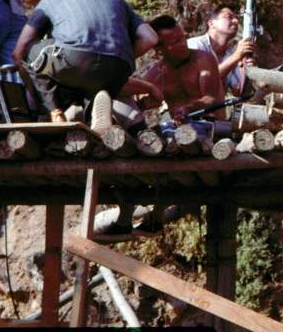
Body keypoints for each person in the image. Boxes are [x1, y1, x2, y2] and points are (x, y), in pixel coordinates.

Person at [95, 15, 226, 243]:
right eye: (174, 42)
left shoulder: (204, 59)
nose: (182, 44)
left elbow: (211, 98)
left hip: (206, 128)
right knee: (136, 146)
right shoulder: (158, 72)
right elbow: (136, 95)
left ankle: (154, 216)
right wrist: (146, 97)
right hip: (172, 132)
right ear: (159, 50)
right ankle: (127, 217)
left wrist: (189, 107)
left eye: (182, 38)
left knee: (168, 146)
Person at [12, 0, 161, 130]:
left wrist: (35, 91)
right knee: (93, 82)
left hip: (73, 62)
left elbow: (19, 51)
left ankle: (54, 113)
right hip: (117, 69)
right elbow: (150, 38)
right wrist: (124, 56)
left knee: (29, 50)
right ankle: (95, 111)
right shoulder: (118, 1)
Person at [188, 4, 255, 96]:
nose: (235, 21)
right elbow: (201, 83)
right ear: (211, 23)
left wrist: (247, 70)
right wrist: (236, 57)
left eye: (236, 18)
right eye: (229, 17)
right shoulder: (194, 45)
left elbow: (239, 91)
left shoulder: (230, 54)